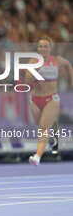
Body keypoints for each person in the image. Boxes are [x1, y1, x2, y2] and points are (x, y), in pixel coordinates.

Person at [26, 37, 73, 166]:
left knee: (43, 128)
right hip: (35, 99)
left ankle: (37, 156)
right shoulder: (33, 61)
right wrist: (35, 70)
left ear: (50, 48)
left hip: (51, 99)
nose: (43, 49)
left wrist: (71, 81)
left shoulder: (57, 60)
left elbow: (68, 65)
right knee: (40, 125)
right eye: (40, 46)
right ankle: (54, 130)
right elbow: (27, 81)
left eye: (45, 46)